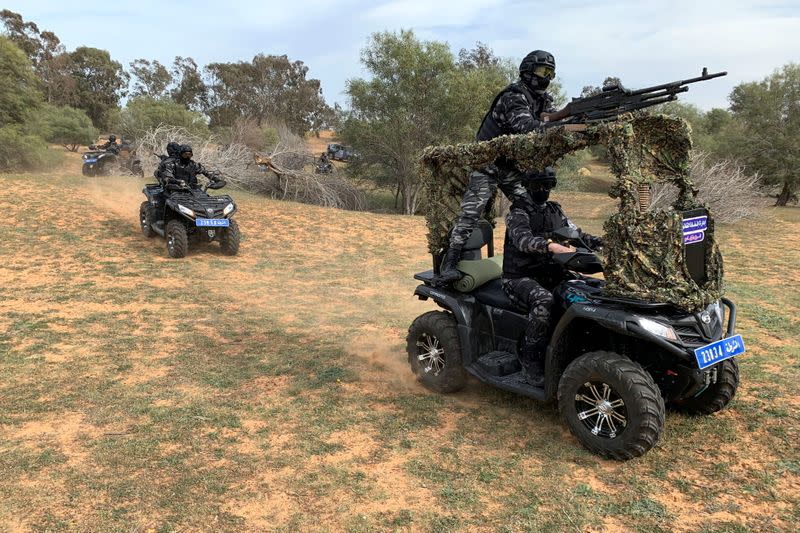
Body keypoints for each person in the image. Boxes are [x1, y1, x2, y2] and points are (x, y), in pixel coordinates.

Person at [437, 50, 559, 283]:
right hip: (487, 164)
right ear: (528, 71)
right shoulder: (513, 96)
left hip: (511, 168)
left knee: (529, 205)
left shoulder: (544, 100)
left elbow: (555, 123)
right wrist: (557, 124)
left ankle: (526, 254)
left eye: (551, 73)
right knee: (473, 210)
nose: (547, 77)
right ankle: (450, 260)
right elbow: (527, 127)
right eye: (543, 71)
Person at [501, 169, 602, 387]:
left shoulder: (556, 211)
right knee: (544, 302)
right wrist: (550, 246)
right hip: (519, 278)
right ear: (528, 187)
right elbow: (523, 241)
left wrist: (601, 243)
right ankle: (530, 360)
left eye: (548, 186)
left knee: (588, 290)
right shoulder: (518, 213)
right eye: (538, 187)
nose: (543, 191)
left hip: (551, 273)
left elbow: (577, 235)